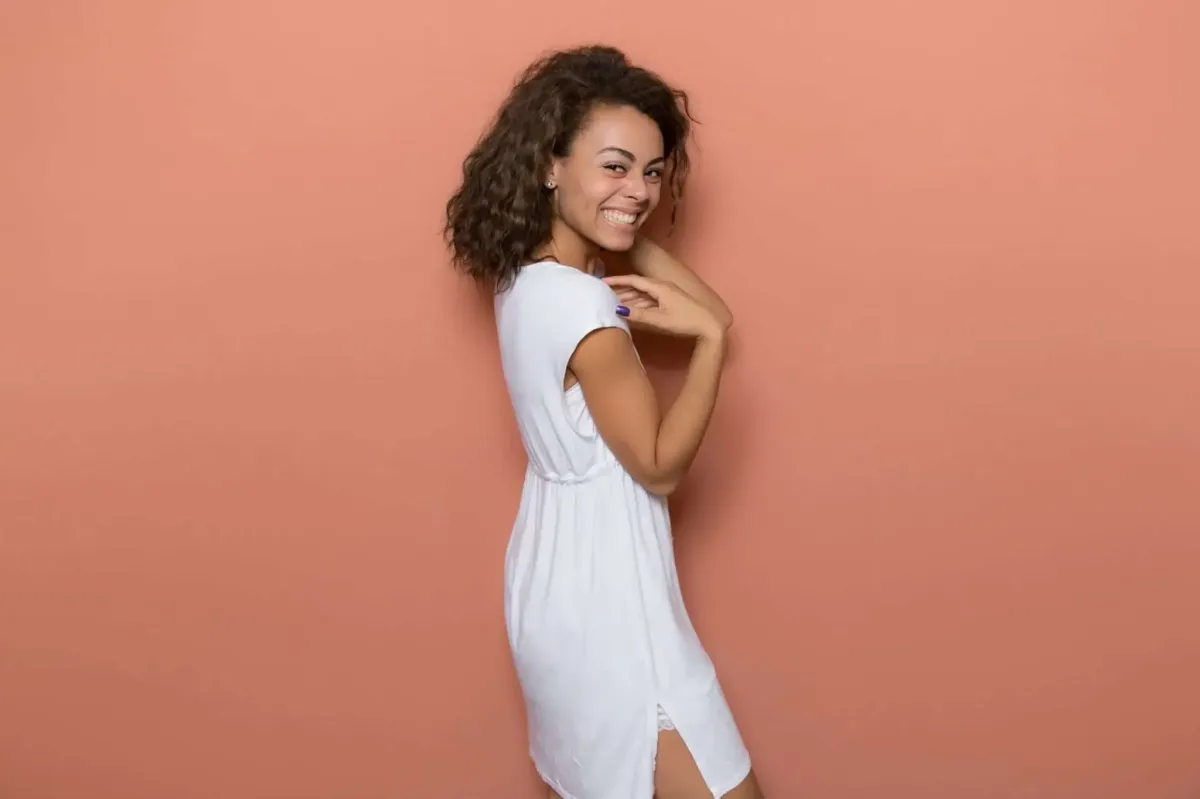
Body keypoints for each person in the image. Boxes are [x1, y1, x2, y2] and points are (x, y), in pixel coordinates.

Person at [444, 44, 764, 799]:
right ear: (550, 164)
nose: (641, 189)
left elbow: (712, 307)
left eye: (653, 172)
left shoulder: (527, 276)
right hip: (611, 602)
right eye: (615, 166)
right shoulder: (583, 304)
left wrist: (611, 214)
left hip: (555, 578)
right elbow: (658, 462)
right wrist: (711, 349)